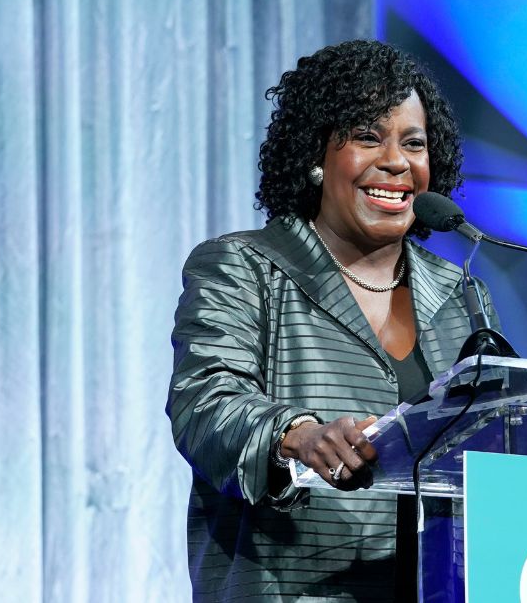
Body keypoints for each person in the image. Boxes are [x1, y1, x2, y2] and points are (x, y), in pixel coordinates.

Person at [167, 39, 499, 602]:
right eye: (368, 137)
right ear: (316, 157)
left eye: (413, 143)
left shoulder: (463, 295)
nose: (396, 161)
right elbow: (206, 403)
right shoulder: (245, 267)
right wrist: (298, 435)